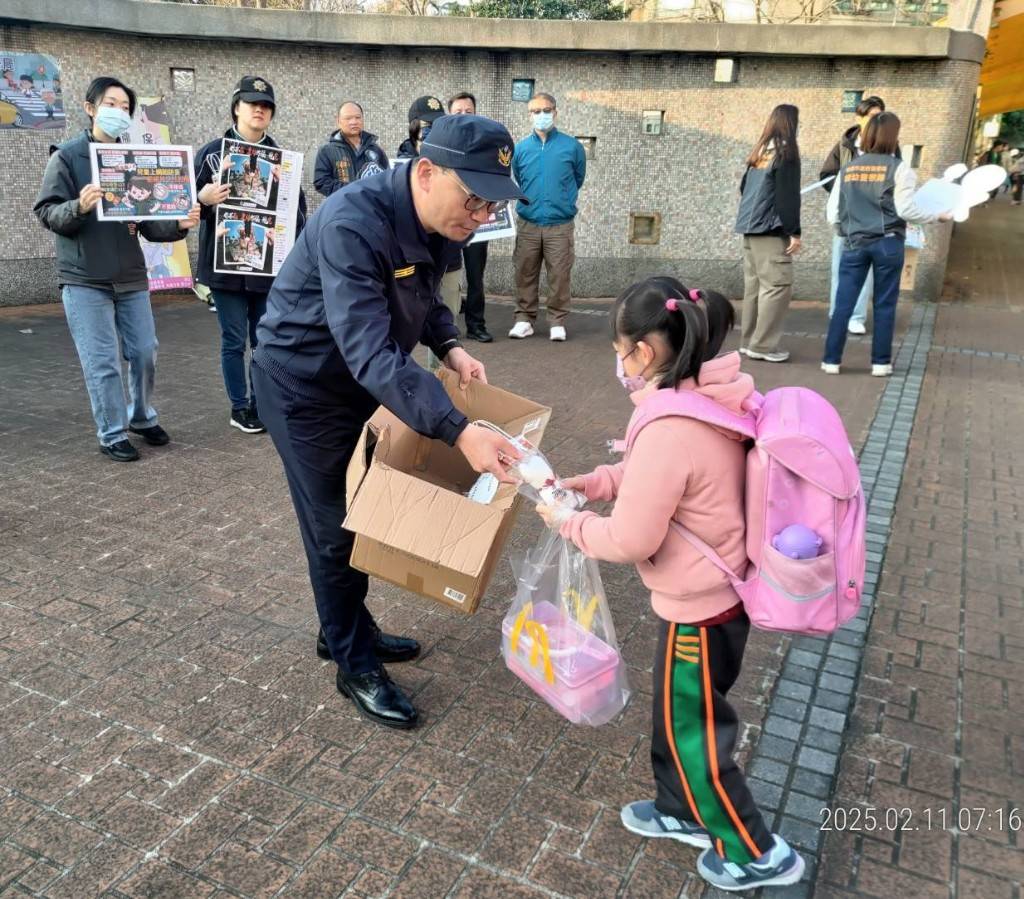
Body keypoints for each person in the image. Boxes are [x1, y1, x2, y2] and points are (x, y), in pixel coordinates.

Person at [251, 114, 527, 730]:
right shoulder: (354, 222)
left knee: (361, 511)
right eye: (474, 199)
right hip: (303, 388)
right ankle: (352, 663)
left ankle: (347, 629)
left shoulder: (443, 218)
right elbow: (370, 350)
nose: (481, 216)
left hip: (357, 385)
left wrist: (450, 346)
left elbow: (424, 296)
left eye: (492, 204)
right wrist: (457, 429)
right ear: (425, 173)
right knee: (334, 527)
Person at [536, 276, 805, 892]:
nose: (618, 362)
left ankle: (757, 851)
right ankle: (679, 810)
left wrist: (569, 522)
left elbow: (631, 540)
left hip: (701, 610)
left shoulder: (667, 426)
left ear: (645, 353)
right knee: (677, 718)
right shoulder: (707, 395)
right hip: (710, 598)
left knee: (697, 737)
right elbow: (663, 476)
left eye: (619, 349)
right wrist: (600, 481)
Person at [33, 76, 200, 462]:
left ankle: (141, 417)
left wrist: (178, 224)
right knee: (102, 360)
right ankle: (111, 433)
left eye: (126, 107)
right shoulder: (68, 157)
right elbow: (46, 211)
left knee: (144, 352)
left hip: (130, 277)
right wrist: (79, 206)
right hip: (84, 279)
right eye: (111, 104)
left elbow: (149, 221)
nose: (119, 112)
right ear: (90, 107)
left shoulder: (130, 160)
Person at [194, 75, 306, 435]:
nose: (260, 109)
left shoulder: (282, 160)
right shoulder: (213, 154)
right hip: (224, 267)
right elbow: (185, 208)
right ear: (236, 107)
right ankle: (239, 407)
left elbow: (297, 214)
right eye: (252, 102)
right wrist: (204, 200)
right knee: (232, 339)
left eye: (267, 105)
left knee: (265, 340)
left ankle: (263, 403)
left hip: (267, 268)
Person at [823, 112, 950, 377]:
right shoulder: (899, 169)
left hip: (854, 242)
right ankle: (880, 363)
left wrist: (848, 229)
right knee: (884, 304)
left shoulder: (848, 168)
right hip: (888, 243)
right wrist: (937, 216)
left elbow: (833, 212)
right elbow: (906, 209)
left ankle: (831, 360)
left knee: (843, 302)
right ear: (894, 137)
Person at [510, 92, 586, 343]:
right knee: (524, 271)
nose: (541, 115)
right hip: (529, 222)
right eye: (536, 111)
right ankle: (524, 319)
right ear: (529, 115)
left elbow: (578, 178)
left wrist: (561, 201)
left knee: (560, 274)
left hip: (559, 225)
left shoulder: (571, 147)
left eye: (546, 110)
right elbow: (520, 179)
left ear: (555, 112)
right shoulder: (520, 149)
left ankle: (557, 321)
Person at [397, 95, 462, 368]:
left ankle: (439, 382)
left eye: (437, 125)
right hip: (406, 262)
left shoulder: (456, 159)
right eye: (425, 127)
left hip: (446, 261)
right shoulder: (398, 165)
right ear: (413, 128)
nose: (430, 132)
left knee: (443, 324)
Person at [734, 104, 801, 363]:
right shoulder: (786, 153)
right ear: (792, 124)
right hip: (770, 231)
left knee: (754, 288)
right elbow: (788, 196)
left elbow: (744, 188)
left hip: (749, 229)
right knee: (776, 286)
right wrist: (794, 231)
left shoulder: (759, 152)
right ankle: (762, 346)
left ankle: (749, 341)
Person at [819, 95, 887, 335]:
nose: (874, 121)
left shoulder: (889, 145)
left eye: (879, 117)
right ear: (859, 117)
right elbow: (827, 174)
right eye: (870, 116)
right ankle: (838, 311)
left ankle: (857, 316)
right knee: (840, 265)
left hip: (871, 218)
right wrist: (843, 195)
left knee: (865, 268)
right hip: (846, 217)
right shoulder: (844, 144)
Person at [448, 91, 492, 343]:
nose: (464, 116)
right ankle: (447, 329)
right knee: (446, 275)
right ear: (448, 116)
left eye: (469, 112)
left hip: (476, 220)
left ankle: (476, 325)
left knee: (476, 275)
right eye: (458, 112)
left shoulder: (484, 146)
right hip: (449, 222)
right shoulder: (441, 145)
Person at [313, 100, 389, 197]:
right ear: (338, 121)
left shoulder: (375, 150)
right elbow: (321, 182)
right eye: (348, 118)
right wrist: (353, 190)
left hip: (370, 208)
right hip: (341, 208)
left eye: (358, 117)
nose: (354, 122)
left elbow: (386, 180)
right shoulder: (327, 151)